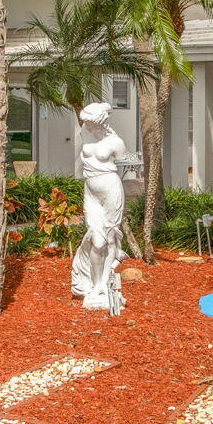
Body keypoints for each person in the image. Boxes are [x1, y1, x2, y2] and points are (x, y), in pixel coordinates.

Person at [71, 102, 127, 312]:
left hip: (111, 191)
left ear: (101, 123)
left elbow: (123, 161)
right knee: (97, 241)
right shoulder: (86, 135)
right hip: (90, 192)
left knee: (110, 238)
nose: (87, 128)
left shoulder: (116, 142)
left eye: (91, 124)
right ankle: (94, 285)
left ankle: (103, 283)